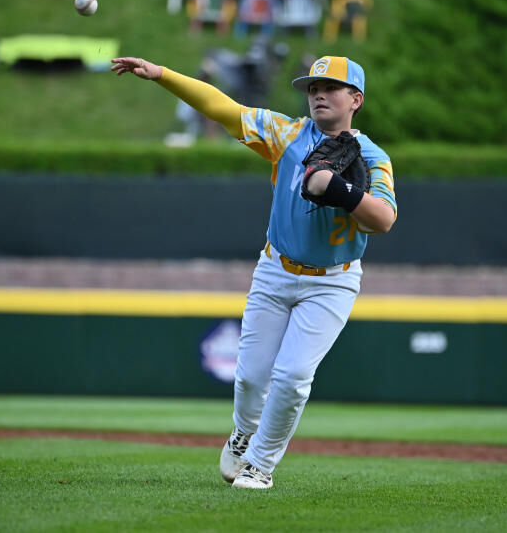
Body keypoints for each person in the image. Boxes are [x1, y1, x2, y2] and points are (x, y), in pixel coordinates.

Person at [111, 54, 397, 489]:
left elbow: (384, 220)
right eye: (312, 88)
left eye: (330, 88)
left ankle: (260, 465)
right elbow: (223, 108)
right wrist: (162, 76)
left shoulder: (374, 156)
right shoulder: (287, 135)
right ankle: (244, 432)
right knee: (249, 377)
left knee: (293, 376)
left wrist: (337, 189)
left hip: (332, 282)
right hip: (275, 269)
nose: (318, 94)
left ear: (355, 99)